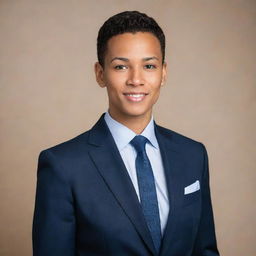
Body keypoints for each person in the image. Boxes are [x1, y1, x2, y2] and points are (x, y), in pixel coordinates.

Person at [32, 11, 219, 256]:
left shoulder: (193, 155)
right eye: (121, 66)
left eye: (149, 66)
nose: (136, 79)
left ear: (163, 73)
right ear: (100, 74)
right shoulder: (62, 165)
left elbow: (205, 251)